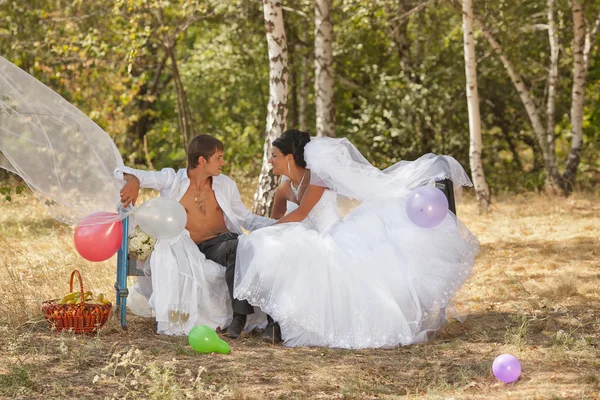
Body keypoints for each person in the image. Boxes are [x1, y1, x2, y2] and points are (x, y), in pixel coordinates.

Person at [234, 130, 480, 349]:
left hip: (331, 236)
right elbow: (278, 222)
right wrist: (262, 230)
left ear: (289, 158)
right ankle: (276, 321)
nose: (270, 160)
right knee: (274, 247)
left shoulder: (318, 179)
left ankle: (285, 324)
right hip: (304, 237)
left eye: (274, 155)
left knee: (316, 260)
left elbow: (300, 214)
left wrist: (272, 230)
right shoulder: (283, 189)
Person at [117, 134, 274, 337]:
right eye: (218, 157)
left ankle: (257, 320)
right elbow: (122, 171)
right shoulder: (171, 180)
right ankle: (236, 319)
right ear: (202, 160)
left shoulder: (225, 185)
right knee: (239, 250)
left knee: (248, 249)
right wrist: (134, 180)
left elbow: (247, 219)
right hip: (190, 248)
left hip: (222, 243)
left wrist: (279, 225)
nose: (223, 162)